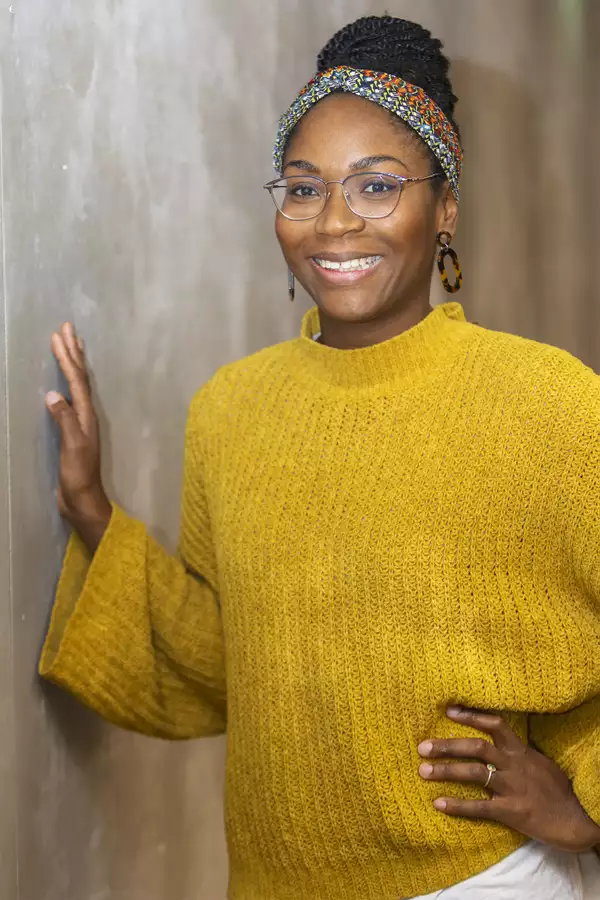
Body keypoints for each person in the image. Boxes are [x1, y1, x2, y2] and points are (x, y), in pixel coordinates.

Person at [41, 15, 600, 900]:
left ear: (445, 205)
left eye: (377, 186)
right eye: (303, 190)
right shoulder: (229, 411)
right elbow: (232, 658)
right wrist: (89, 511)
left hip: (486, 881)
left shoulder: (547, 403)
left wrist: (584, 811)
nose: (335, 222)